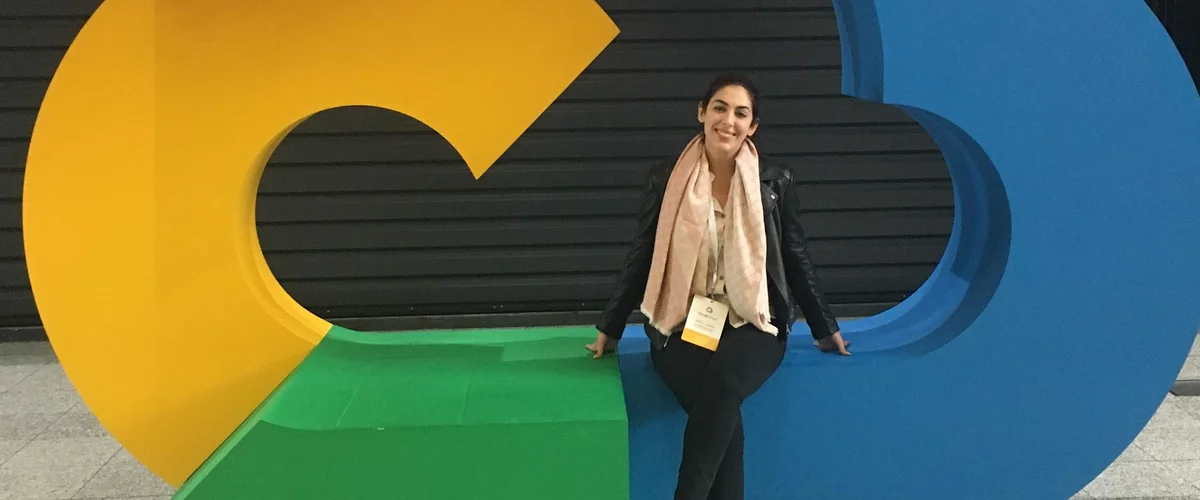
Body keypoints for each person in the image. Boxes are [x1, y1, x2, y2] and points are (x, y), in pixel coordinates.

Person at [585, 73, 850, 500]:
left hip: (754, 320)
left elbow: (796, 255)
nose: (729, 121)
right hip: (682, 319)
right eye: (720, 108)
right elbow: (643, 254)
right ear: (702, 113)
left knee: (724, 383)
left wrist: (824, 326)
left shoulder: (774, 182)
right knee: (723, 411)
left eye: (741, 113)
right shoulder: (666, 180)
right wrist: (610, 326)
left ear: (753, 126)